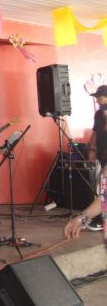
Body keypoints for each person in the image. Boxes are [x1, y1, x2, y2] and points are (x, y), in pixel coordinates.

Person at [66, 85, 107, 235]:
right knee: (102, 188)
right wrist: (82, 218)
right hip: (103, 156)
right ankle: (101, 219)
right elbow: (104, 198)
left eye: (100, 97)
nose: (98, 101)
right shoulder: (98, 115)